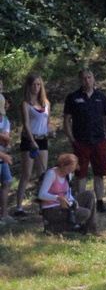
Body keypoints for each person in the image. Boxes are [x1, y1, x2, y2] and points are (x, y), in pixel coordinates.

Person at [63, 67, 106, 212]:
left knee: (99, 172)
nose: (87, 80)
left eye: (89, 77)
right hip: (81, 142)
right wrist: (72, 139)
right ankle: (81, 203)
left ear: (94, 79)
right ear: (80, 81)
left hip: (98, 141)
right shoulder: (73, 97)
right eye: (84, 78)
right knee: (81, 173)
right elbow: (66, 120)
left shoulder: (101, 97)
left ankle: (100, 202)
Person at [15, 73, 52, 219]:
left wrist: (51, 131)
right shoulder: (26, 104)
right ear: (29, 86)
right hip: (29, 140)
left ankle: (43, 206)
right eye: (33, 85)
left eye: (38, 85)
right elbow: (26, 124)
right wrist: (31, 140)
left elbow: (48, 123)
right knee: (27, 174)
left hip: (43, 140)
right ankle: (18, 207)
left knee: (42, 174)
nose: (36, 87)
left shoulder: (46, 103)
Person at [37, 153, 98, 235]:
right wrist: (58, 198)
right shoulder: (51, 174)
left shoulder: (68, 175)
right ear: (62, 164)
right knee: (85, 213)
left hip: (64, 205)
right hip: (51, 209)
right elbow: (41, 195)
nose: (69, 172)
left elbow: (68, 193)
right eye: (68, 170)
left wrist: (73, 202)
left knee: (89, 194)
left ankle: (90, 229)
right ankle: (53, 228)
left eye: (71, 171)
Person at [0, 95, 14, 225]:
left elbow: (7, 139)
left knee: (7, 181)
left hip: (2, 153)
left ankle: (4, 214)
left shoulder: (5, 120)